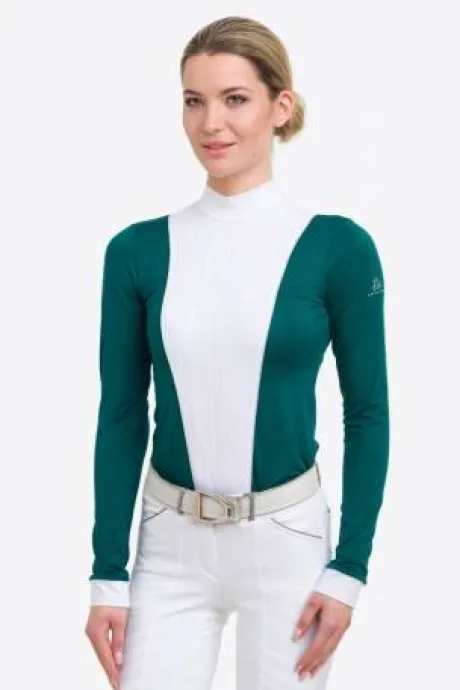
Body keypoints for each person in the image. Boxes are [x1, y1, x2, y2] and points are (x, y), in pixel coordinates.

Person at [84, 15, 390, 690]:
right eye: (194, 100)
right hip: (169, 545)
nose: (211, 123)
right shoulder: (136, 251)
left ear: (281, 106)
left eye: (235, 99)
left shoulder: (338, 247)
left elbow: (368, 413)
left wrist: (349, 569)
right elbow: (122, 415)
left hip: (289, 545)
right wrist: (108, 572)